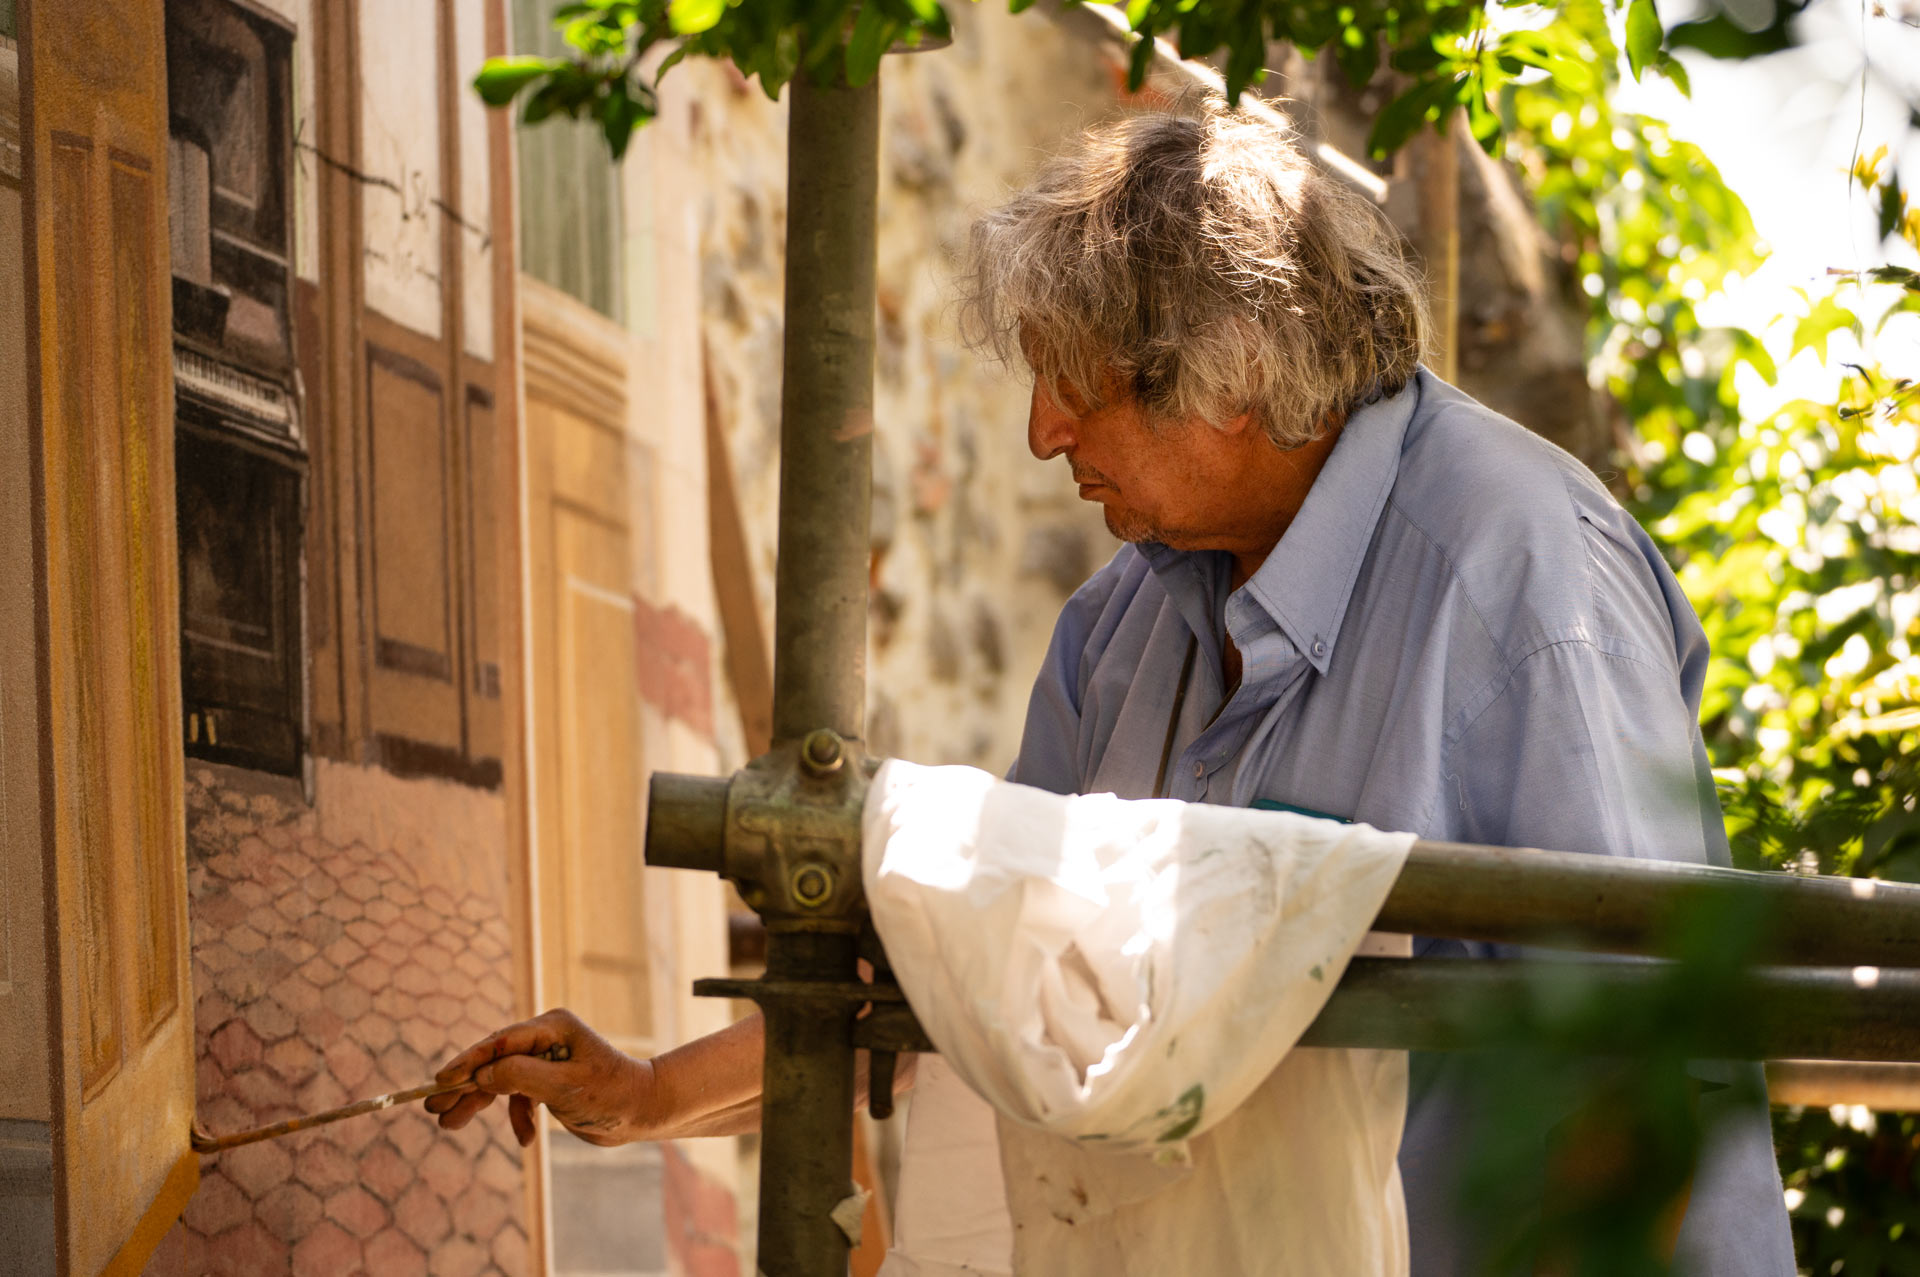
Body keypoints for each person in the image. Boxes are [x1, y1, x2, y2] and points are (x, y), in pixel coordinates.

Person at [429, 106, 1794, 1275]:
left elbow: (1662, 1062)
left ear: (1239, 373)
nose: (1042, 433)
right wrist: (650, 1091)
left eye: (1077, 382)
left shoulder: (1526, 583)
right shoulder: (1123, 623)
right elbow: (975, 968)